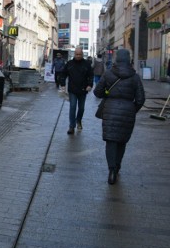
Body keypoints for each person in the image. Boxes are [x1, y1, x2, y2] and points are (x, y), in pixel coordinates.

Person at [93, 49, 145, 185]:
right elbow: (140, 99)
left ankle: (111, 171)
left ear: (117, 59)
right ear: (128, 59)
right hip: (127, 111)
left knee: (111, 141)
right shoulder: (135, 77)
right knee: (121, 141)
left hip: (110, 110)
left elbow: (97, 92)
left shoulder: (109, 74)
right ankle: (117, 167)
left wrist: (108, 95)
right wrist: (133, 109)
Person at [60, 47, 93, 134]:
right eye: (76, 54)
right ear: (74, 54)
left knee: (81, 108)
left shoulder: (87, 64)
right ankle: (71, 126)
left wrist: (90, 85)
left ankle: (78, 120)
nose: (78, 56)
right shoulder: (70, 64)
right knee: (73, 107)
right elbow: (63, 74)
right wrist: (63, 84)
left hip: (83, 90)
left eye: (80, 54)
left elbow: (91, 75)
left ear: (82, 54)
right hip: (72, 90)